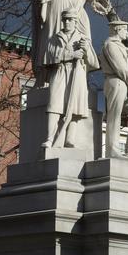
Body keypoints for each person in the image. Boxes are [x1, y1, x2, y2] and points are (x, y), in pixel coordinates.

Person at [42, 8, 99, 149]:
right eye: (65, 19)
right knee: (54, 106)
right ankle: (50, 139)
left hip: (77, 75)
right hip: (60, 73)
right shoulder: (55, 39)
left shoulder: (83, 39)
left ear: (75, 22)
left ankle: (69, 140)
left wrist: (86, 52)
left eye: (70, 19)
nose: (67, 22)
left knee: (74, 108)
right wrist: (71, 55)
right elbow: (49, 57)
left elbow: (94, 63)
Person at [100, 21, 128, 158]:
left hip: (124, 83)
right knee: (114, 116)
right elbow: (121, 68)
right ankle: (112, 150)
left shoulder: (120, 46)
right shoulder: (110, 45)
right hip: (115, 81)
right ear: (118, 29)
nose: (127, 33)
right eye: (125, 30)